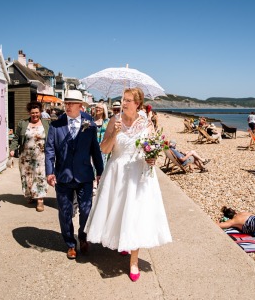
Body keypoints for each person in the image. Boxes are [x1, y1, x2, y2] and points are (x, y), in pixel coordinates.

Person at [85, 88, 172, 282]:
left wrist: (152, 159)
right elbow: (104, 149)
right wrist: (114, 133)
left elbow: (152, 150)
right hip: (116, 171)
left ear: (138, 104)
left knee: (136, 214)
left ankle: (134, 261)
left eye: (129, 100)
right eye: (123, 99)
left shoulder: (146, 124)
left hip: (137, 174)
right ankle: (122, 241)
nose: (124, 103)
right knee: (119, 210)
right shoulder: (113, 121)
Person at [45, 90, 104, 260]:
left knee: (86, 210)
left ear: (80, 106)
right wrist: (49, 172)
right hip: (62, 176)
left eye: (72, 103)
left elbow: (95, 150)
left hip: (84, 175)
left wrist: (100, 171)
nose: (68, 106)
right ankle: (70, 244)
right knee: (65, 211)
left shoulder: (90, 124)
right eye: (66, 103)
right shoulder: (56, 125)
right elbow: (49, 150)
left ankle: (83, 236)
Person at [9, 101, 50, 212]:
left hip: (41, 156)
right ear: (29, 113)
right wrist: (12, 149)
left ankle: (40, 200)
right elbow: (16, 138)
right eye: (32, 113)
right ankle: (32, 194)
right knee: (28, 177)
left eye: (37, 112)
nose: (35, 115)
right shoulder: (23, 123)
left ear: (40, 112)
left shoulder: (46, 124)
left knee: (40, 177)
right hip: (25, 156)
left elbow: (52, 139)